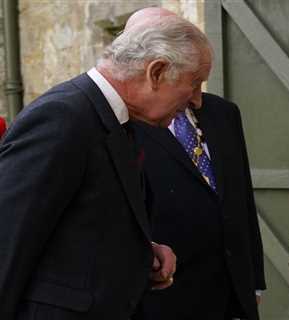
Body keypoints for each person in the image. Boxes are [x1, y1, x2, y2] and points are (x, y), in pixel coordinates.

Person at [0, 6, 216, 319]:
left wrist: (142, 252)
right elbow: (8, 240)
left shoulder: (112, 118)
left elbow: (82, 223)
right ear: (156, 72)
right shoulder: (62, 117)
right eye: (194, 82)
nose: (196, 99)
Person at [128, 10, 266, 320]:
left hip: (233, 296)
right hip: (164, 301)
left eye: (200, 81)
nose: (197, 97)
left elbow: (240, 199)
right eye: (192, 81)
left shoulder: (224, 114)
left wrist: (254, 282)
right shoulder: (126, 125)